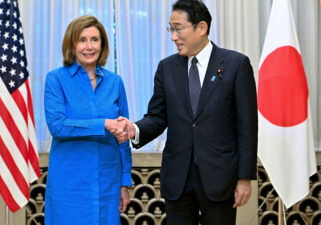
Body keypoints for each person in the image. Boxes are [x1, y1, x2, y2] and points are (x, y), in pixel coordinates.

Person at [115, 0, 258, 224]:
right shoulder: (167, 68)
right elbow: (157, 116)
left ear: (201, 28)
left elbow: (247, 126)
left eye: (178, 28)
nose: (173, 36)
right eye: (171, 29)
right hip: (178, 178)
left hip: (219, 177)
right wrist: (133, 128)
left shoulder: (235, 64)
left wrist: (244, 178)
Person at [43, 15, 132, 225]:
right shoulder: (56, 79)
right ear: (72, 45)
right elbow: (58, 126)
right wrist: (103, 124)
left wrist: (124, 183)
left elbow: (123, 135)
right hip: (69, 183)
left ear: (102, 45)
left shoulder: (115, 82)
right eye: (82, 40)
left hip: (108, 182)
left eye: (95, 39)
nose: (89, 46)